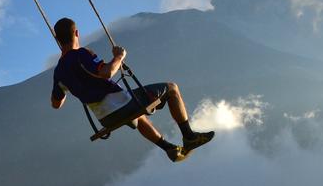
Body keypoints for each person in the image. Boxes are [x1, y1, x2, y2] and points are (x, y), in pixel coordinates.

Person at [49, 17, 214, 162]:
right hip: (122, 104)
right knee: (172, 88)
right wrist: (119, 57)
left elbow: (56, 104)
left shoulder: (59, 72)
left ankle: (169, 148)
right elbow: (106, 73)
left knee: (139, 116)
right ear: (76, 33)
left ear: (57, 40)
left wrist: (69, 86)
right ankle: (189, 136)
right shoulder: (82, 54)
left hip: (105, 118)